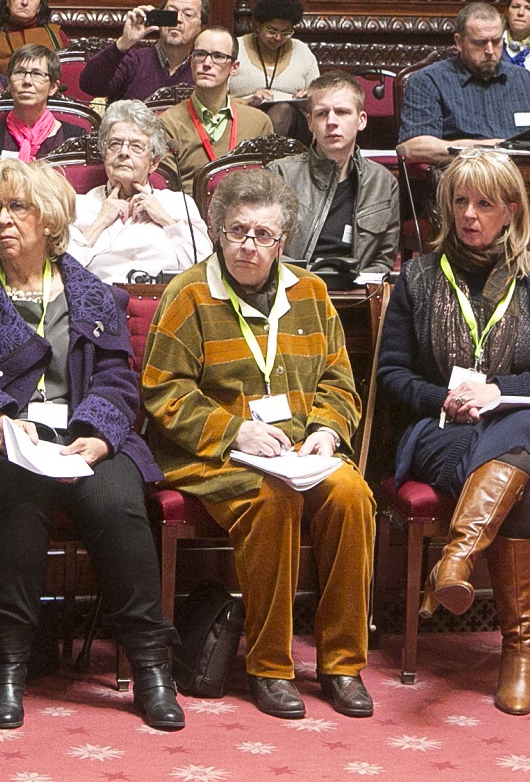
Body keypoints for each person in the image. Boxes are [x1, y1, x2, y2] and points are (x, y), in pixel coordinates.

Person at [0, 158, 184, 732]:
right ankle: (8, 665)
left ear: (50, 219)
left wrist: (97, 433)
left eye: (18, 207)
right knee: (13, 497)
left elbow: (119, 376)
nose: (2, 221)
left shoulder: (93, 294)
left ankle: (150, 666)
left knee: (118, 501)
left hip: (80, 435)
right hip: (3, 435)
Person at [141, 170, 374, 720]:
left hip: (299, 450)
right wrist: (234, 430)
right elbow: (162, 389)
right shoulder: (189, 294)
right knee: (272, 502)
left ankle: (343, 663)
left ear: (282, 240)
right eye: (237, 231)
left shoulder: (312, 294)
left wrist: (326, 430)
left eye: (262, 234)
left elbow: (339, 381)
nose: (248, 244)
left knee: (352, 496)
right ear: (218, 233)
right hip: (210, 454)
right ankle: (270, 666)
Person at [375, 148, 530, 715]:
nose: (470, 214)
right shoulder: (419, 277)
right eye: (460, 201)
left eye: (485, 203)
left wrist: (499, 390)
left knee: (519, 426)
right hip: (444, 430)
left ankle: (456, 559)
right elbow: (392, 372)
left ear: (512, 210)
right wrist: (441, 397)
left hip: (528, 425)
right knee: (514, 464)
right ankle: (518, 649)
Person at [397, 1, 530, 166]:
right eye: (479, 43)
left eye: (496, 41)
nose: (490, 51)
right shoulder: (428, 81)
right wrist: (492, 148)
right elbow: (412, 148)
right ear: (459, 42)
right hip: (461, 177)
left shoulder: (525, 82)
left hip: (526, 179)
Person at [274, 73, 400, 280]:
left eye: (342, 112)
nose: (331, 121)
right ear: (310, 123)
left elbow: (383, 260)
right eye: (322, 114)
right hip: (295, 288)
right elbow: (266, 248)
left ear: (361, 120)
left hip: (356, 294)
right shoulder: (280, 175)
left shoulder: (383, 183)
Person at [67, 100, 205, 284]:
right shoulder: (79, 206)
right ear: (104, 154)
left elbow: (203, 269)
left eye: (136, 146)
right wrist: (100, 222)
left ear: (154, 163)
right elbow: (62, 271)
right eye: (115, 144)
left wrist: (166, 220)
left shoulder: (180, 204)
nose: (123, 152)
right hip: (101, 305)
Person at [158, 24, 274, 194]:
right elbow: (165, 191)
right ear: (191, 62)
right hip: (189, 215)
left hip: (246, 215)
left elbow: (269, 186)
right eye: (200, 55)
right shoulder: (168, 123)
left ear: (234, 67)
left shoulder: (259, 122)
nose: (206, 63)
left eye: (218, 56)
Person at [79, 0, 210, 104]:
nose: (178, 20)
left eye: (188, 15)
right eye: (171, 13)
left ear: (202, 27)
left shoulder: (205, 68)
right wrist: (124, 43)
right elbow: (90, 86)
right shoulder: (132, 60)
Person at [231, 0, 321, 142]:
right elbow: (216, 100)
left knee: (283, 110)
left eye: (286, 32)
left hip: (294, 128)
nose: (278, 38)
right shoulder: (235, 48)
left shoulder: (302, 51)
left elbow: (321, 97)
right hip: (244, 117)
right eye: (272, 30)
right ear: (257, 26)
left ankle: (265, 158)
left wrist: (308, 97)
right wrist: (248, 101)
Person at [0, 44, 77, 161]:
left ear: (53, 87)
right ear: (9, 83)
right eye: (19, 72)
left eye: (37, 74)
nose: (27, 81)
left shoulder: (74, 136)